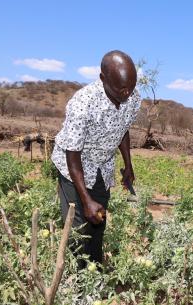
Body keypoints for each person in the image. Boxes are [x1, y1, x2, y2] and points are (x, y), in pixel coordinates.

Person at [51, 50, 140, 267]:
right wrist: (86, 199)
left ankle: (95, 272)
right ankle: (77, 284)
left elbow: (123, 130)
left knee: (98, 221)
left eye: (131, 86)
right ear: (103, 79)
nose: (127, 93)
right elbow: (72, 153)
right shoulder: (83, 103)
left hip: (103, 166)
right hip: (74, 168)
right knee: (78, 230)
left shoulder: (132, 97)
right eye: (122, 88)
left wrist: (128, 165)